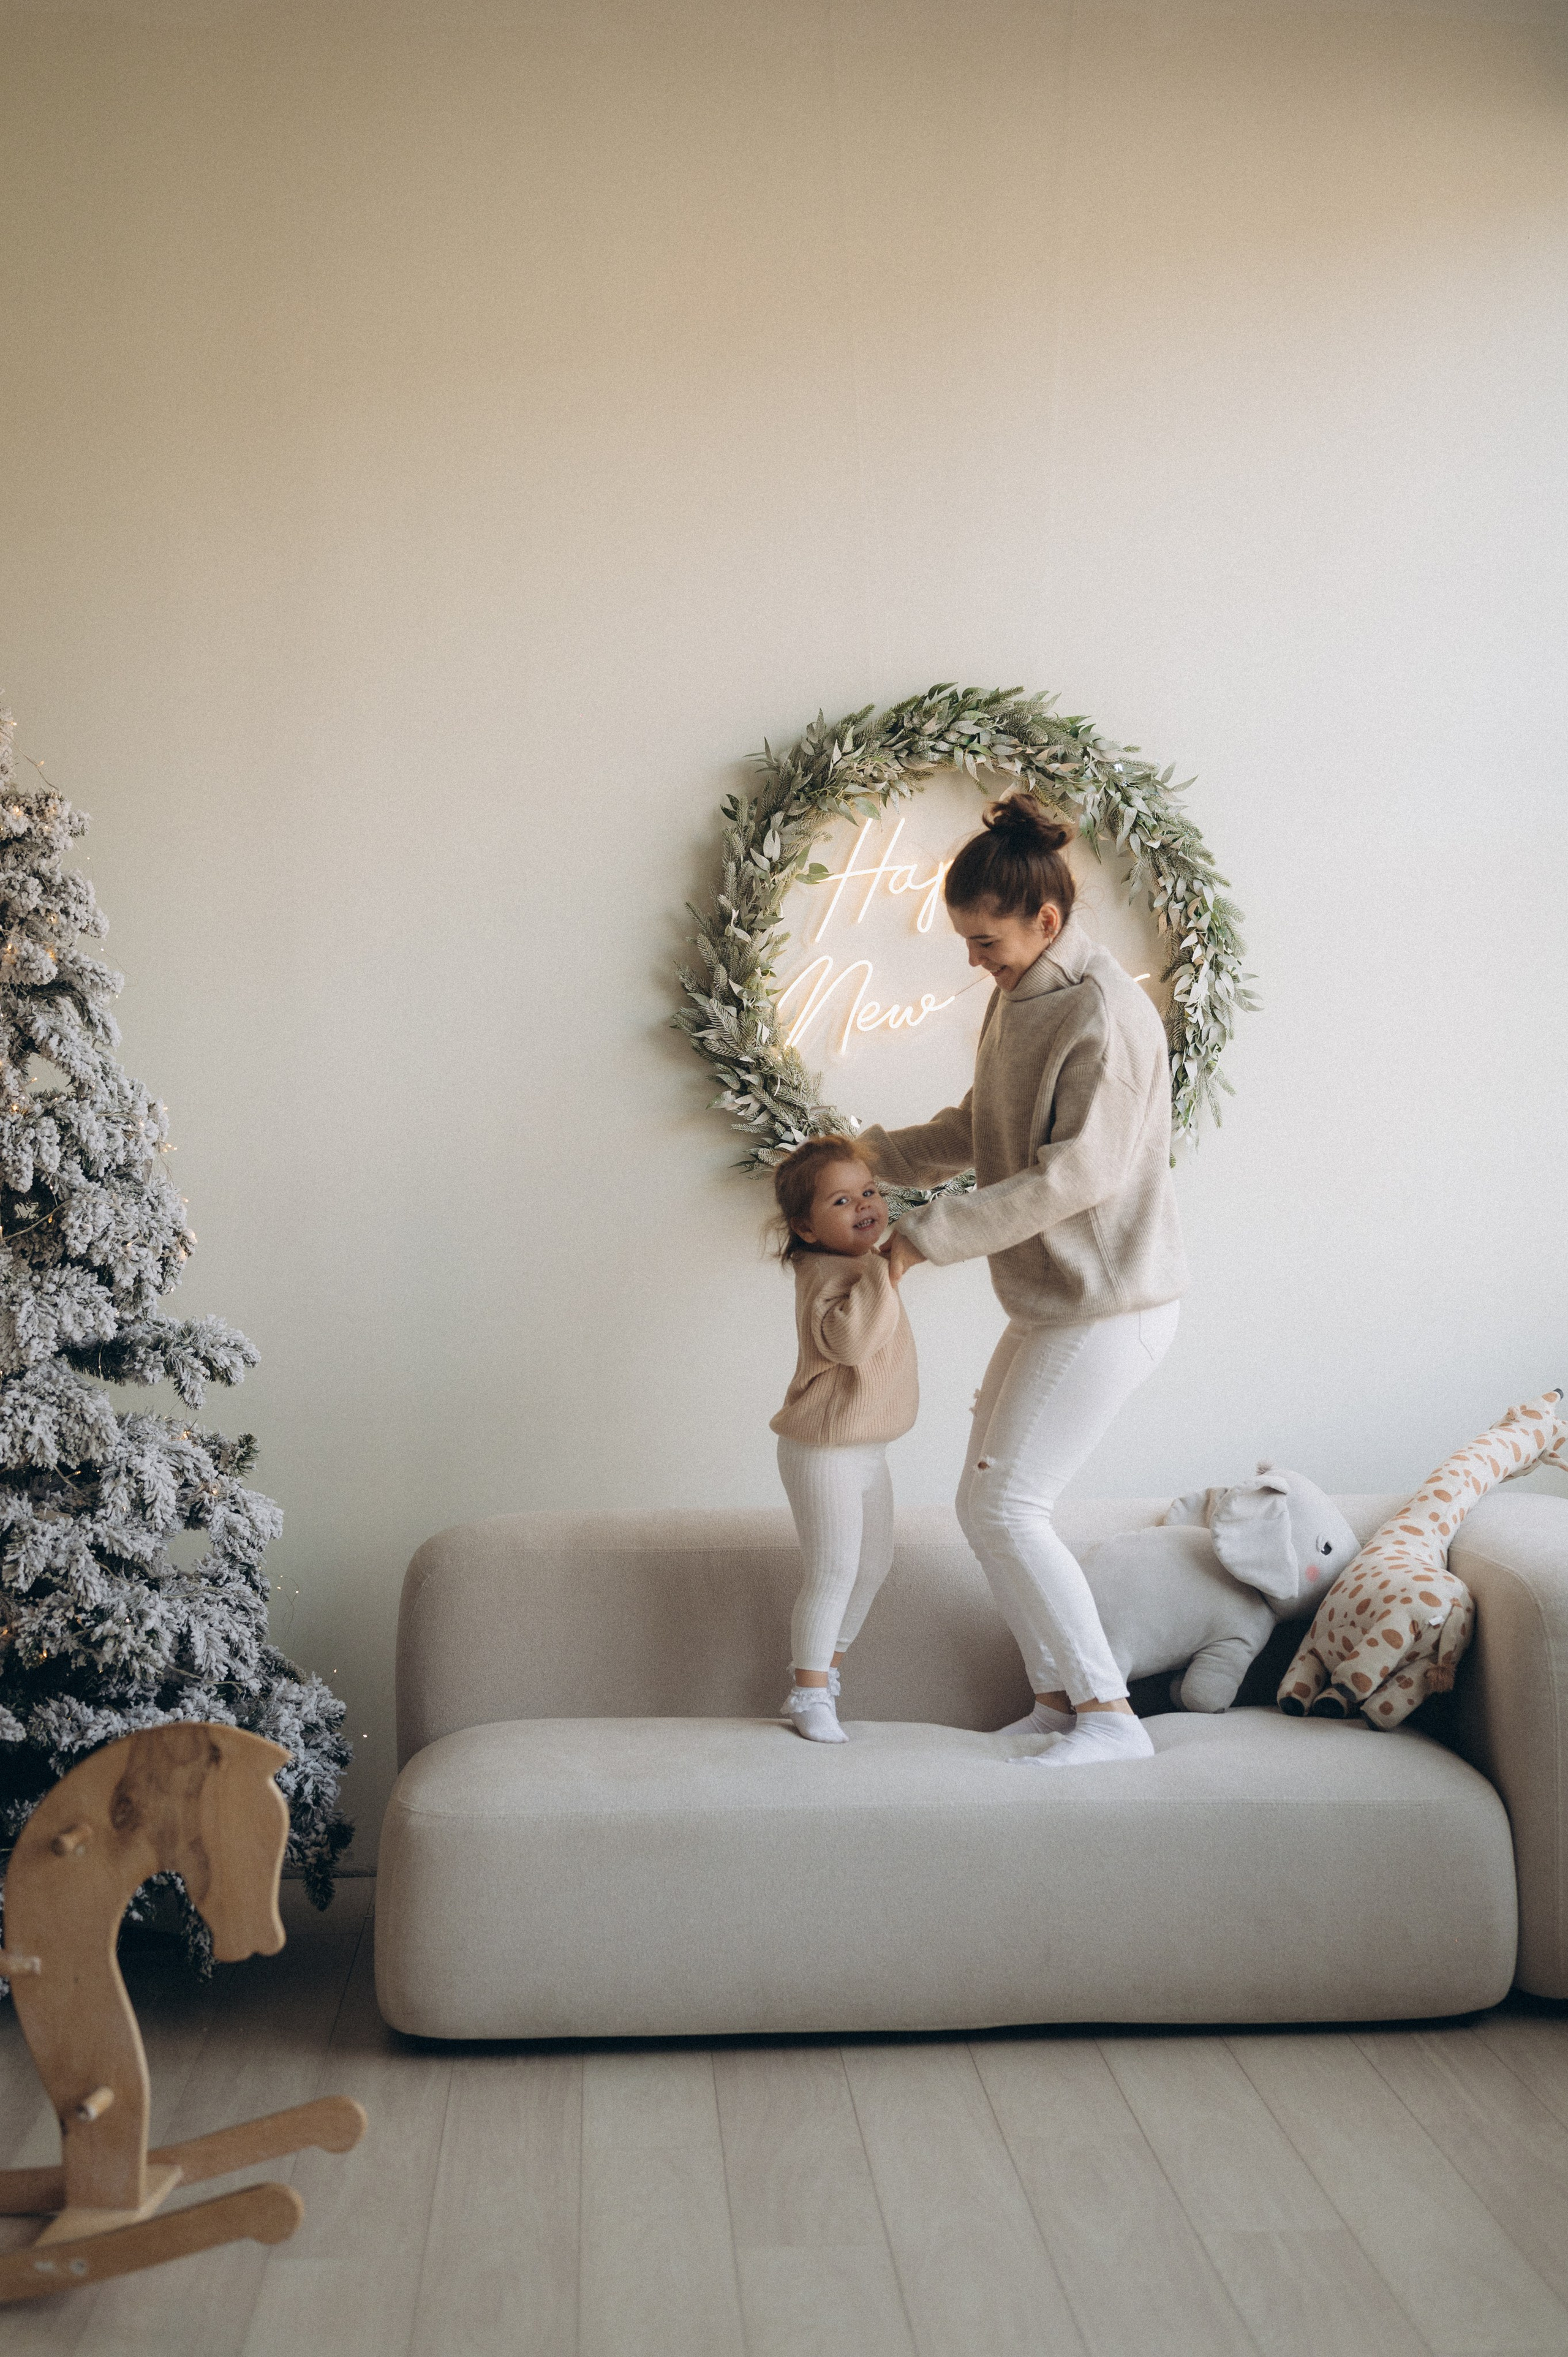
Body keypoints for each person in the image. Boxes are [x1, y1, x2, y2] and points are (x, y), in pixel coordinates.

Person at [867, 794, 1187, 1770]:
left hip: (1115, 1300)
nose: (974, 959)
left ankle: (1109, 1716)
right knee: (984, 1507)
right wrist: (866, 1155)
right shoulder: (1020, 994)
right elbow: (980, 1126)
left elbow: (1074, 1173)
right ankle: (1056, 1705)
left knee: (1011, 1507)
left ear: (1045, 922)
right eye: (966, 940)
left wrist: (925, 1240)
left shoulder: (1108, 1015)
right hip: (1055, 1299)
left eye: (985, 940)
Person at [768, 1136, 917, 1742]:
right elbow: (850, 1342)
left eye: (870, 1191)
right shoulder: (819, 1273)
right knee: (832, 1570)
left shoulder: (863, 1266)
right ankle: (808, 1693)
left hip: (867, 1448)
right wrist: (889, 1267)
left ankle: (824, 1675)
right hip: (823, 1450)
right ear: (805, 1227)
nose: (864, 1204)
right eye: (841, 1199)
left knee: (872, 1565)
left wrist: (885, 1266)